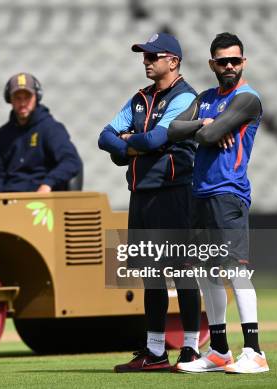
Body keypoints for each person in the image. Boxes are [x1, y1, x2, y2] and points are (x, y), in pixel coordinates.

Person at [98, 32, 202, 372]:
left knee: (182, 271)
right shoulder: (139, 98)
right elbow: (104, 136)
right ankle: (155, 351)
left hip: (174, 192)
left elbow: (161, 137)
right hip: (141, 193)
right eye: (144, 56)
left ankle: (190, 349)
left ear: (173, 61)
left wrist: (129, 142)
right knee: (151, 274)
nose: (146, 61)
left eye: (153, 56)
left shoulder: (187, 97)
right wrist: (132, 144)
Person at [168, 32, 269, 374]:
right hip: (200, 194)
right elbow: (173, 129)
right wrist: (204, 123)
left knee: (234, 270)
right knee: (207, 274)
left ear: (244, 62)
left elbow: (206, 136)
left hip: (229, 193)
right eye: (222, 61)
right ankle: (220, 351)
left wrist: (203, 129)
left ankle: (255, 351)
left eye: (235, 60)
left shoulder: (248, 98)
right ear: (212, 64)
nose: (229, 66)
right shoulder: (206, 97)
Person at [0, 73, 82, 193]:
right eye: (17, 97)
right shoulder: (4, 133)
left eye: (27, 97)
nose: (22, 103)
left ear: (36, 97)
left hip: (40, 202)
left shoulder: (51, 128)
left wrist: (47, 184)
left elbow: (71, 162)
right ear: (9, 100)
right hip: (8, 200)